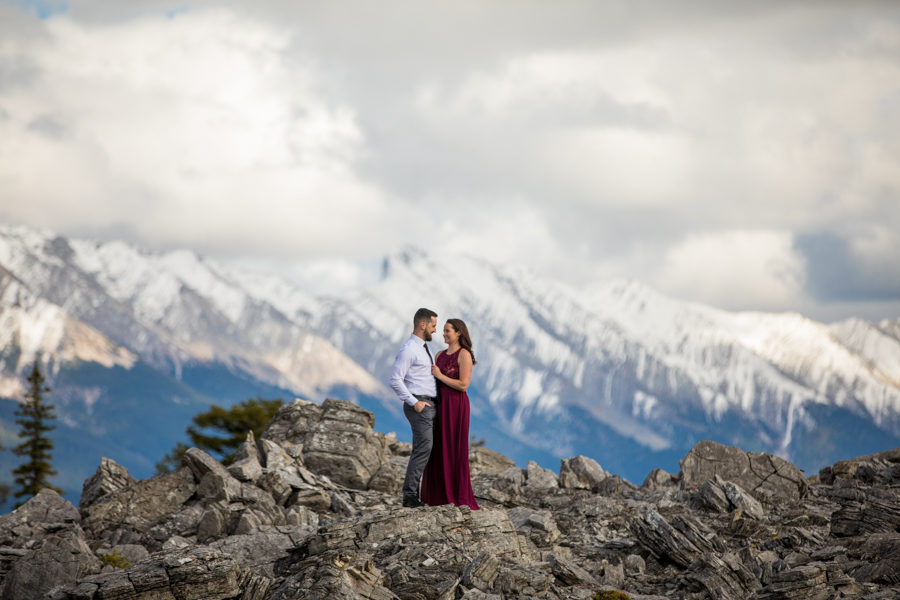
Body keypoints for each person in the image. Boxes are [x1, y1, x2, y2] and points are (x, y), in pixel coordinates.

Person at [420, 318, 480, 510]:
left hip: (456, 406)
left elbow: (463, 385)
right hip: (440, 405)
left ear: (459, 333)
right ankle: (435, 496)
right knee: (437, 448)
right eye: (444, 331)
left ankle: (457, 496)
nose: (444, 334)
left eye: (448, 331)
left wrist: (440, 376)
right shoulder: (439, 354)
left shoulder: (464, 355)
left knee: (454, 448)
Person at [390, 307, 439, 508]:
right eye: (433, 325)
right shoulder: (409, 349)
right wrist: (414, 402)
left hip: (430, 404)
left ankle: (430, 493)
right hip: (420, 405)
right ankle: (410, 497)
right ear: (423, 325)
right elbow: (395, 379)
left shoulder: (423, 348)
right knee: (423, 448)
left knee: (430, 448)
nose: (435, 330)